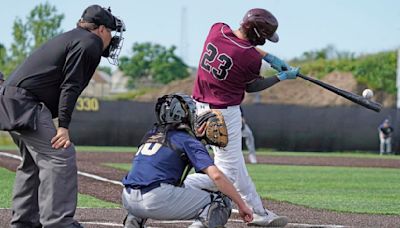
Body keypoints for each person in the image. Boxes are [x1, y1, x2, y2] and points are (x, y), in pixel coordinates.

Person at [0, 5, 125, 227]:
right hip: (24, 104)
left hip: (13, 101)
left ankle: (24, 222)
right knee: (60, 156)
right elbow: (71, 85)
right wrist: (63, 127)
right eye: (111, 32)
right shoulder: (90, 42)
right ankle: (58, 222)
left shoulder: (72, 37)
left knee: (32, 164)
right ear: (102, 29)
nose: (112, 39)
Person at [186, 8, 299, 227]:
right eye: (264, 37)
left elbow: (240, 46)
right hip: (224, 114)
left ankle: (257, 212)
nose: (266, 41)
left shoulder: (217, 29)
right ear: (257, 34)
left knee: (235, 166)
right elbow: (252, 86)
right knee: (226, 173)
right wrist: (280, 76)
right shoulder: (249, 57)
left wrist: (267, 57)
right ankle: (169, 185)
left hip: (198, 107)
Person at [121, 93, 253, 228]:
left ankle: (132, 223)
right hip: (156, 199)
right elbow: (217, 176)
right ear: (184, 115)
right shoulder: (187, 140)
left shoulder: (150, 134)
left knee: (161, 183)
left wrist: (196, 140)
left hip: (128, 199)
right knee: (221, 202)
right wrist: (242, 205)